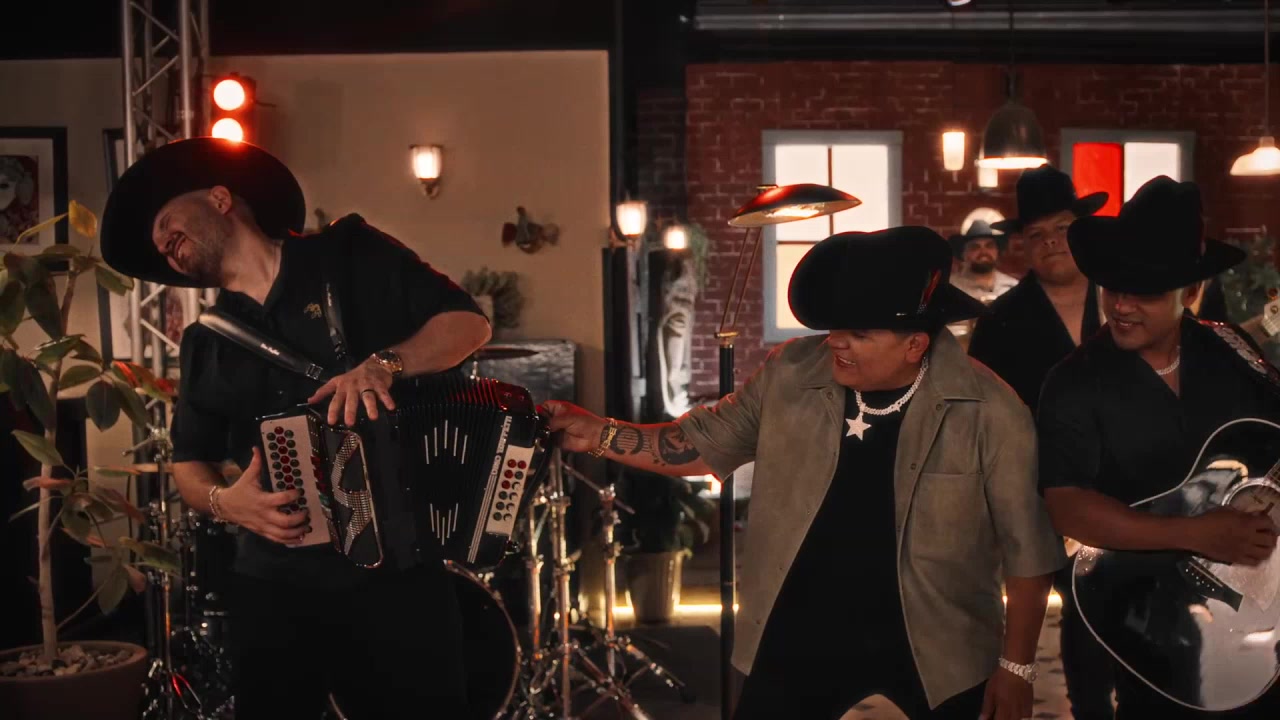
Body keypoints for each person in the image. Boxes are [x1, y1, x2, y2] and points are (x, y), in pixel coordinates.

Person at [544, 227, 1065, 720]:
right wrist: (598, 433)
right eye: (835, 327)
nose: (835, 341)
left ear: (914, 344)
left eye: (858, 333)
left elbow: (1028, 550)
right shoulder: (791, 373)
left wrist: (1016, 667)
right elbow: (699, 443)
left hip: (939, 632)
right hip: (801, 622)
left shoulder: (991, 410)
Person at [99, 138, 491, 719]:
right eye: (159, 248)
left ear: (220, 198)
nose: (163, 246)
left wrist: (385, 364)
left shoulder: (350, 254)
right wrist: (225, 502)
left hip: (400, 572)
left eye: (166, 224)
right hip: (275, 582)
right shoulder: (206, 341)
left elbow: (469, 325)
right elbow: (188, 463)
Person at [1037, 176, 1280, 720]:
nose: (1121, 306)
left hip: (1258, 609)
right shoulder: (1074, 381)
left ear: (1190, 293)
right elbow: (1067, 505)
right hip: (1139, 621)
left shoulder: (1229, 349)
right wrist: (1195, 533)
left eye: (1143, 292)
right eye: (1112, 287)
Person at [948, 219, 1018, 304]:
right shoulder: (950, 289)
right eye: (975, 247)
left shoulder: (1013, 288)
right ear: (963, 254)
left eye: (989, 246)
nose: (983, 252)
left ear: (997, 251)